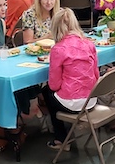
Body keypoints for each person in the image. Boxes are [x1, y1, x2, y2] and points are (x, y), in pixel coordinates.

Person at [39, 8, 99, 145]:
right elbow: (96, 75)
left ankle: (60, 137)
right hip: (91, 99)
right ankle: (66, 129)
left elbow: (54, 85)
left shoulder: (58, 49)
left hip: (73, 102)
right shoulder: (89, 44)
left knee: (47, 91)